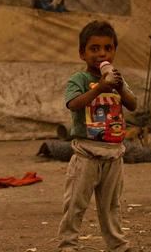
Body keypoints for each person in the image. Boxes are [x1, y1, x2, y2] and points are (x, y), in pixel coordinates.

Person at [58, 20, 138, 251]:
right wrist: (99, 88)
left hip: (113, 154)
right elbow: (73, 104)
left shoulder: (117, 80)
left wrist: (118, 87)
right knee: (75, 203)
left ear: (114, 51)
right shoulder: (80, 80)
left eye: (108, 48)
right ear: (82, 53)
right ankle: (68, 245)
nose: (102, 53)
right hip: (86, 154)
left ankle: (117, 245)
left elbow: (132, 105)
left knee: (111, 205)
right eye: (94, 49)